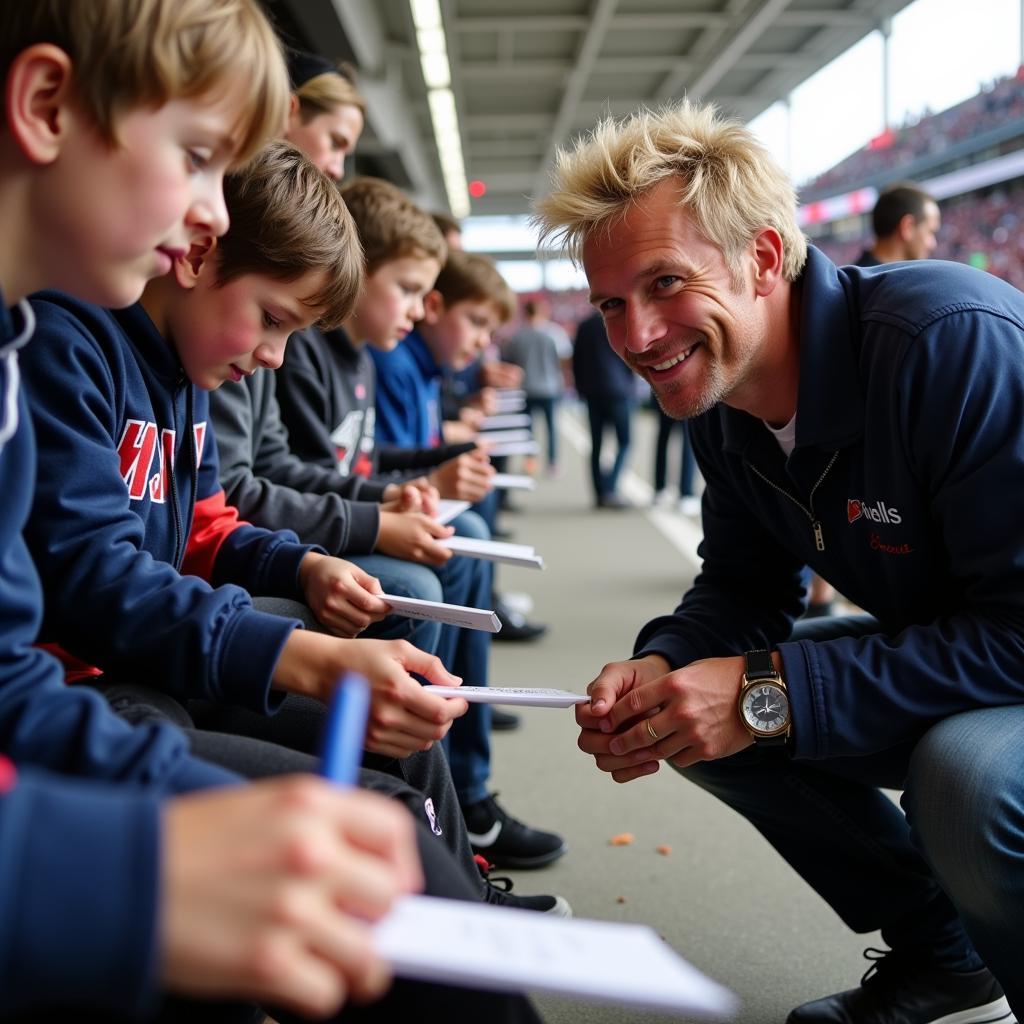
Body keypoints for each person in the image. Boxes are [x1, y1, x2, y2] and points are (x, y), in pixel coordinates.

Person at [534, 99, 1023, 1022]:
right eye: (610, 304)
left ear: (762, 257)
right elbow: (744, 585)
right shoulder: (726, 400)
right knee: (684, 700)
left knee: (967, 778)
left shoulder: (951, 346)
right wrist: (662, 662)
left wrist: (772, 691)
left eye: (666, 283)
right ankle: (948, 957)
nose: (636, 336)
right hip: (976, 648)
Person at [0, 2, 419, 1018]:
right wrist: (151, 848)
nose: (214, 214)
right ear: (46, 104)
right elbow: (91, 590)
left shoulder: (33, 345)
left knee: (388, 838)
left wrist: (303, 571)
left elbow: (202, 523)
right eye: (197, 157)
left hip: (77, 699)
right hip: (100, 685)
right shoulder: (58, 339)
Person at [278, 177, 566, 871]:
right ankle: (445, 810)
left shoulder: (361, 357)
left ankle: (465, 783)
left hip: (331, 521)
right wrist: (398, 500)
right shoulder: (311, 350)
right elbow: (282, 477)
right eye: (409, 290)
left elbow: (361, 457)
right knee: (424, 578)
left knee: (457, 557)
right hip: (307, 538)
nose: (418, 308)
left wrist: (428, 472)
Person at [572, 310, 638, 509]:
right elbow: (630, 354)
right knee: (625, 442)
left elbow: (577, 360)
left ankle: (600, 493)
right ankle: (610, 488)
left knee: (596, 445)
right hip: (618, 391)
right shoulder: (620, 320)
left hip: (593, 392)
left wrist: (581, 389)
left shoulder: (584, 326)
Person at [502, 298, 570, 475]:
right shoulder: (554, 333)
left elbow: (509, 361)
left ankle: (530, 463)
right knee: (551, 428)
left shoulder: (518, 336)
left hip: (526, 388)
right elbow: (563, 360)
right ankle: (552, 464)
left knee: (528, 429)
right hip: (549, 388)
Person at [856, 181, 941, 267]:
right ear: (908, 227)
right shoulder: (901, 279)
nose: (933, 244)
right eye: (930, 232)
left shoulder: (854, 277)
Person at [652, 406, 699, 515]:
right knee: (688, 438)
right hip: (688, 396)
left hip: (665, 395)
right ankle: (686, 493)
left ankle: (660, 488)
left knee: (663, 437)